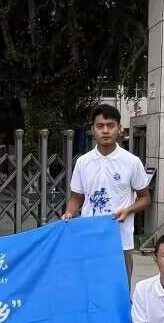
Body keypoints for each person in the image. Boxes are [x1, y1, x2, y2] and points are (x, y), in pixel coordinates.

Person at [61, 104, 152, 283]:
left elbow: (145, 198)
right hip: (89, 238)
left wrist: (128, 210)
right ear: (93, 130)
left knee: (119, 290)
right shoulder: (83, 162)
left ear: (119, 128)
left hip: (120, 240)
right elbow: (76, 198)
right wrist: (69, 212)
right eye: (100, 126)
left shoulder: (131, 162)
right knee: (89, 287)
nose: (105, 131)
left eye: (110, 126)